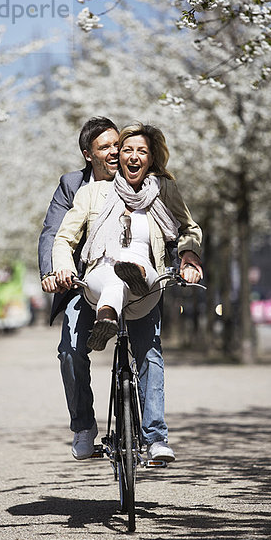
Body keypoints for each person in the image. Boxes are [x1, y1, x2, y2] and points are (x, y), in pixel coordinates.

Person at [52, 122, 203, 461]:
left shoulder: (163, 191)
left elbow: (188, 228)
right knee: (106, 281)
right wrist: (62, 267)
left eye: (143, 152)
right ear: (119, 157)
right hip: (97, 276)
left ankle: (155, 438)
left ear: (152, 159)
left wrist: (189, 255)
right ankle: (84, 425)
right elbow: (63, 237)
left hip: (144, 285)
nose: (134, 157)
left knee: (150, 354)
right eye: (128, 151)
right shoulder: (93, 194)